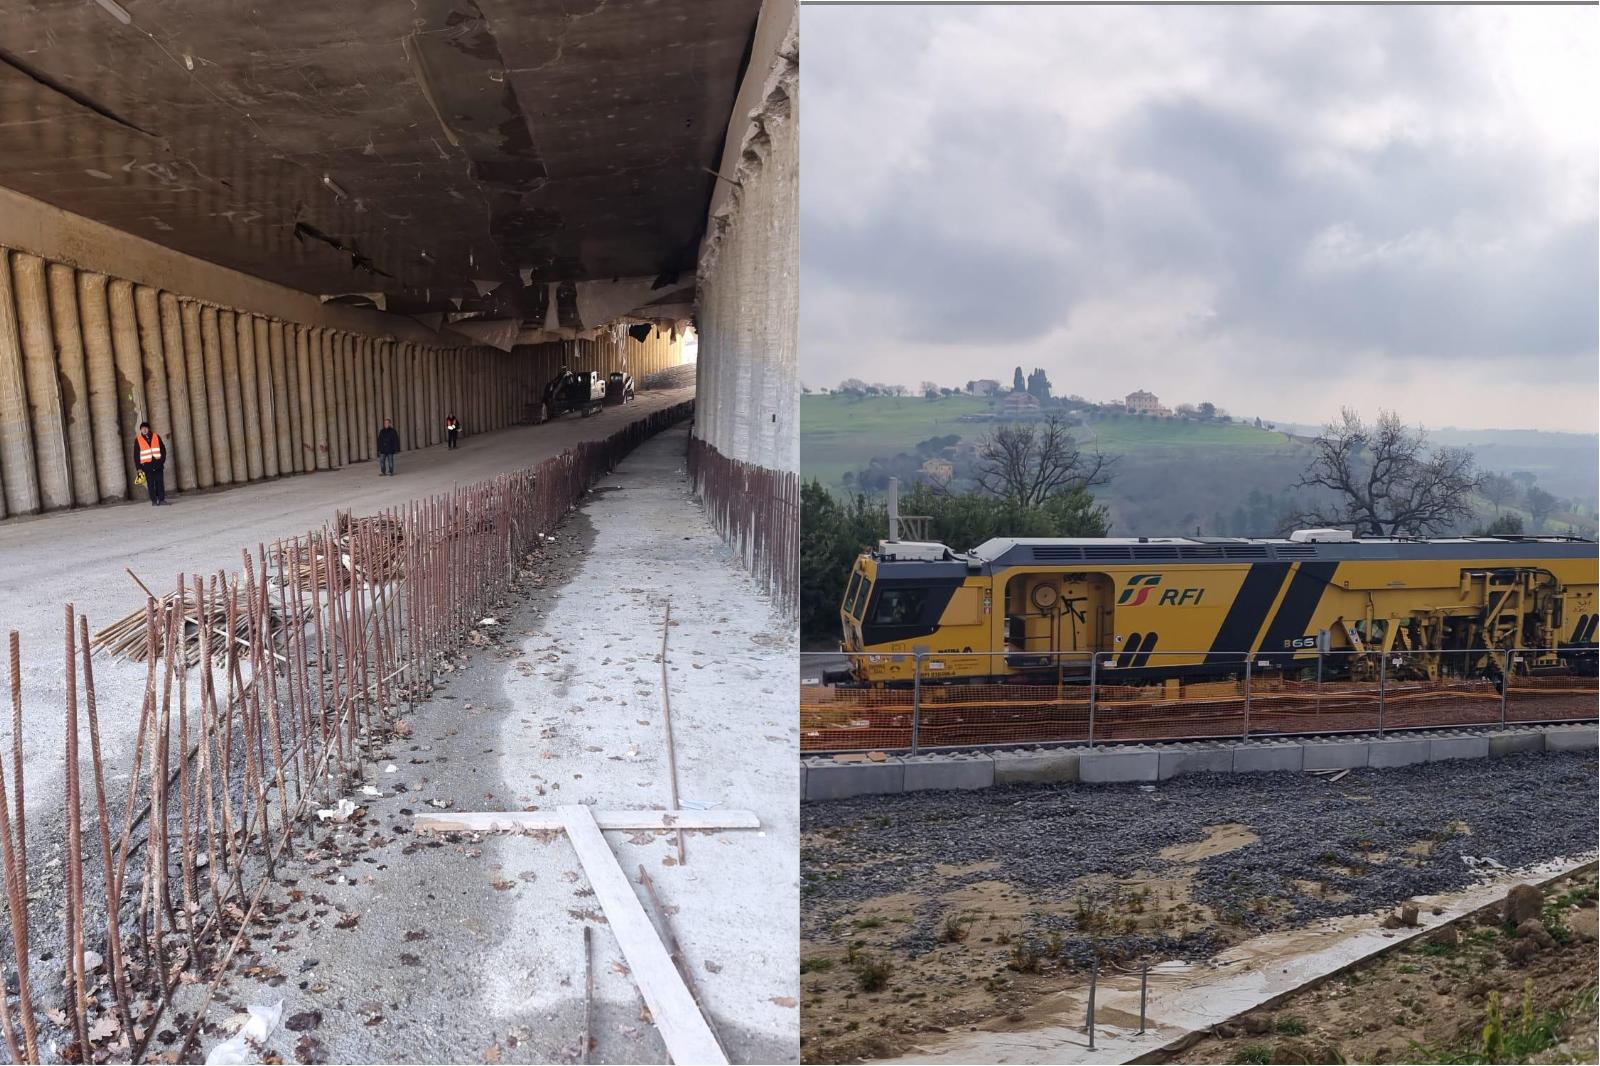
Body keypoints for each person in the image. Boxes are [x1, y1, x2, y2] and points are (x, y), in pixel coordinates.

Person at [134, 421, 168, 506]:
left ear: (148, 429)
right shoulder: (138, 440)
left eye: (145, 428)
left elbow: (163, 449)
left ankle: (161, 500)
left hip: (158, 464)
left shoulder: (156, 436)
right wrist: (138, 468)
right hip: (147, 466)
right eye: (142, 429)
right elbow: (136, 455)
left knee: (160, 482)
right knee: (150, 484)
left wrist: (162, 461)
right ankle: (154, 501)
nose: (144, 430)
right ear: (140, 430)